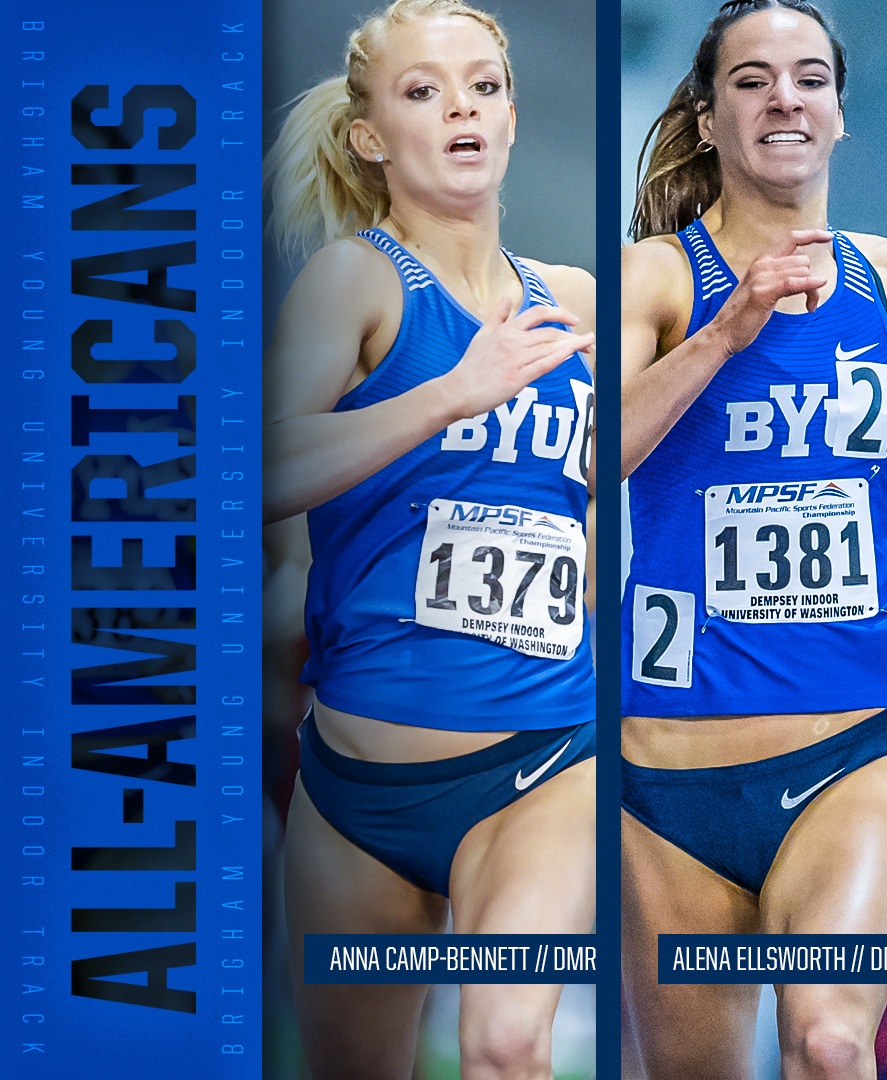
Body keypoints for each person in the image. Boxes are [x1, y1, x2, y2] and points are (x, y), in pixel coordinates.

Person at [263, 2, 597, 1077]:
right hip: (359, 787)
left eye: (484, 86)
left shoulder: (574, 302)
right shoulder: (355, 281)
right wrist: (451, 393)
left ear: (508, 117)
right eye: (422, 91)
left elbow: (589, 516)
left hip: (545, 759)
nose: (461, 107)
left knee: (507, 1046)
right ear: (372, 135)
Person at [618, 1, 887, 1076]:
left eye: (808, 77)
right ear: (709, 119)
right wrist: (729, 330)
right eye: (751, 79)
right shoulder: (659, 278)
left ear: (840, 112)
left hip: (855, 757)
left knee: (832, 1045)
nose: (784, 96)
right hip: (668, 782)